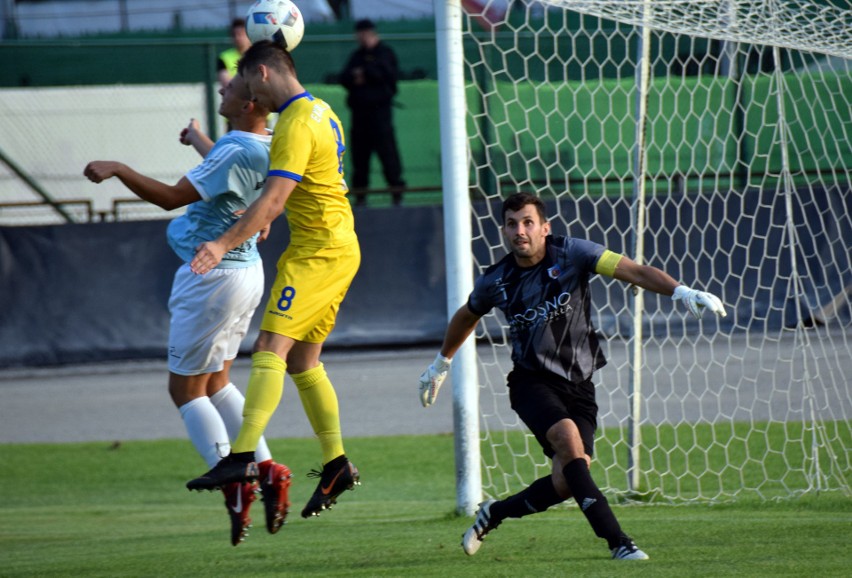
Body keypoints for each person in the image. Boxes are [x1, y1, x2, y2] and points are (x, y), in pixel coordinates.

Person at [418, 192, 726, 561]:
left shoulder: (573, 253)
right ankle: (618, 541)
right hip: (531, 382)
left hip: (580, 384)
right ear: (503, 230)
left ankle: (494, 513)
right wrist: (441, 363)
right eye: (512, 223)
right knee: (567, 438)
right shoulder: (495, 281)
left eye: (528, 222)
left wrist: (682, 291)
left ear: (545, 228)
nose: (520, 231)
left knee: (566, 481)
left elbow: (635, 270)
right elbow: (467, 315)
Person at [83, 75, 293, 546]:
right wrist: (199, 139)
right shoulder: (265, 143)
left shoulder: (237, 147)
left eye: (230, 87)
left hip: (211, 276)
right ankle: (268, 469)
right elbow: (234, 173)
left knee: (184, 389)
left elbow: (172, 197)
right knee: (216, 382)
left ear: (249, 102)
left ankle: (235, 478)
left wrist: (119, 168)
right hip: (246, 273)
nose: (222, 90)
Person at [185, 40, 362, 520]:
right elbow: (276, 186)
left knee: (269, 349)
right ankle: (336, 464)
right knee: (304, 361)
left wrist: (221, 243)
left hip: (319, 252)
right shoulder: (320, 111)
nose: (247, 98)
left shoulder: (297, 123)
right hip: (333, 245)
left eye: (244, 83)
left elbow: (274, 199)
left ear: (262, 74)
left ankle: (241, 458)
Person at [339, 18, 405, 206]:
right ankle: (360, 197)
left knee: (388, 156)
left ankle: (397, 193)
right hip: (360, 117)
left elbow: (387, 76)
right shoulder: (356, 55)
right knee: (360, 159)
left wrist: (365, 73)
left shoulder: (385, 53)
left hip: (380, 117)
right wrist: (358, 75)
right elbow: (345, 77)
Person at [218, 18, 251, 90]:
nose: (237, 38)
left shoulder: (258, 55)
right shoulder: (224, 57)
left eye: (241, 34)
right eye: (234, 35)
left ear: (249, 34)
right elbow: (227, 84)